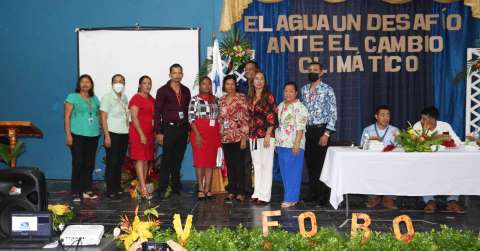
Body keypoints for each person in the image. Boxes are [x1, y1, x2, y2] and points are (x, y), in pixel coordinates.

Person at [413, 106, 463, 213]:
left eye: (424, 119)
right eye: (421, 118)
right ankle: (429, 201)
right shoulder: (418, 126)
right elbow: (414, 145)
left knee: (457, 170)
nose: (421, 121)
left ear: (433, 119)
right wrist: (425, 133)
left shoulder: (444, 126)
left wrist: (447, 139)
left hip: (445, 161)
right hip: (425, 161)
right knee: (423, 172)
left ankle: (452, 201)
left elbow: (457, 143)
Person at [300, 62, 337, 207]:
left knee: (322, 164)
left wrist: (327, 133)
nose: (312, 72)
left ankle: (324, 195)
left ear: (321, 73)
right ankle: (313, 192)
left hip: (322, 130)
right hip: (307, 130)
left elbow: (333, 113)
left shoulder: (328, 89)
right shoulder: (304, 90)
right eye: (310, 70)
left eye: (315, 70)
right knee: (311, 164)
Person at [155, 64, 191, 200]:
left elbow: (188, 112)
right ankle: (162, 190)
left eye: (179, 73)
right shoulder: (162, 90)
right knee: (166, 161)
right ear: (170, 74)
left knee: (178, 161)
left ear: (182, 74)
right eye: (174, 73)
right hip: (168, 129)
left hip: (182, 129)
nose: (177, 75)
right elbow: (157, 112)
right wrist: (158, 132)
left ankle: (177, 188)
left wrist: (189, 131)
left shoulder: (186, 90)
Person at [64, 74, 100, 203]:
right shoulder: (72, 97)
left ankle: (87, 190)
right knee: (78, 162)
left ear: (91, 85)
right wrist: (68, 135)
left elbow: (98, 115)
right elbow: (67, 117)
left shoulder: (95, 99)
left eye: (88, 82)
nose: (85, 84)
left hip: (94, 134)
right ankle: (75, 191)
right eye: (83, 82)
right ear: (79, 84)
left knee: (89, 163)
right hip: (77, 134)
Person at [275, 81, 309, 208]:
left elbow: (301, 128)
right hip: (281, 143)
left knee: (293, 172)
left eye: (291, 91)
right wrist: (277, 143)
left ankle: (291, 198)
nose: (288, 93)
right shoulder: (281, 105)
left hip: (294, 144)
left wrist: (297, 143)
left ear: (296, 93)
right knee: (284, 172)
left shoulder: (300, 107)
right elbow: (278, 124)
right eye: (286, 91)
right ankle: (289, 196)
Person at [360, 105, 399, 209]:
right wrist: (369, 141)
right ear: (376, 116)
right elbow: (362, 147)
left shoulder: (395, 130)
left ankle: (389, 198)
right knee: (369, 169)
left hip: (391, 161)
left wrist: (397, 140)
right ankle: (373, 197)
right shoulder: (368, 130)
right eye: (382, 115)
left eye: (388, 115)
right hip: (372, 161)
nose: (386, 118)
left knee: (395, 169)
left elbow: (400, 148)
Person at [188, 76, 221, 200]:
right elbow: (191, 118)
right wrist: (197, 134)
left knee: (210, 163)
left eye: (209, 84)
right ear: (200, 86)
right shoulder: (194, 100)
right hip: (199, 134)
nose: (206, 86)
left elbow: (219, 118)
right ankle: (200, 189)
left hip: (213, 135)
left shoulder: (216, 100)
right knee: (200, 163)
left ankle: (208, 189)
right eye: (204, 84)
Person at [248, 71, 277, 204]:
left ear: (264, 82)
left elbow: (272, 116)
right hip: (253, 136)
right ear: (252, 81)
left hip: (266, 136)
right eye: (256, 79)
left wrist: (268, 134)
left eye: (261, 79)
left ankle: (265, 196)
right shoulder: (250, 96)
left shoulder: (268, 96)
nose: (259, 81)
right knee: (257, 165)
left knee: (266, 165)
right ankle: (257, 192)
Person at [219, 75, 249, 202]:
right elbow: (220, 119)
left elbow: (245, 118)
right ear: (224, 85)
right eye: (227, 84)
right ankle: (231, 190)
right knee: (230, 165)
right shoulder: (221, 100)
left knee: (240, 165)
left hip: (238, 136)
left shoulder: (241, 98)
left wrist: (243, 137)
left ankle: (241, 191)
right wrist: (220, 134)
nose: (230, 86)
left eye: (232, 84)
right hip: (226, 137)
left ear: (235, 85)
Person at [100, 74, 130, 200]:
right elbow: (103, 117)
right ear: (112, 84)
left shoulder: (124, 97)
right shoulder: (107, 98)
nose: (119, 84)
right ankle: (110, 189)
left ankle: (117, 187)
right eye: (117, 81)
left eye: (122, 81)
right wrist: (106, 136)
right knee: (112, 162)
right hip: (112, 133)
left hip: (124, 133)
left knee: (119, 162)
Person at [129, 75, 155, 200]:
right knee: (140, 159)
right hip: (138, 133)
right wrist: (141, 134)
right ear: (140, 85)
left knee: (146, 159)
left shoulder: (151, 99)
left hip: (149, 134)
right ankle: (144, 188)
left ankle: (141, 185)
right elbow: (134, 118)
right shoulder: (136, 98)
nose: (147, 85)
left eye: (149, 83)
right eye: (144, 83)